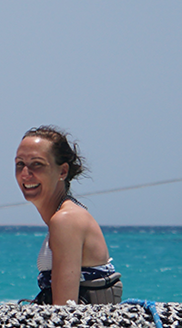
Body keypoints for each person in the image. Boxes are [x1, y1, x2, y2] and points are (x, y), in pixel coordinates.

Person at [14, 127, 120, 305]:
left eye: (37, 164)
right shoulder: (66, 215)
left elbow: (64, 309)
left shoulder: (66, 220)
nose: (25, 174)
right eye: (19, 164)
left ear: (63, 172)